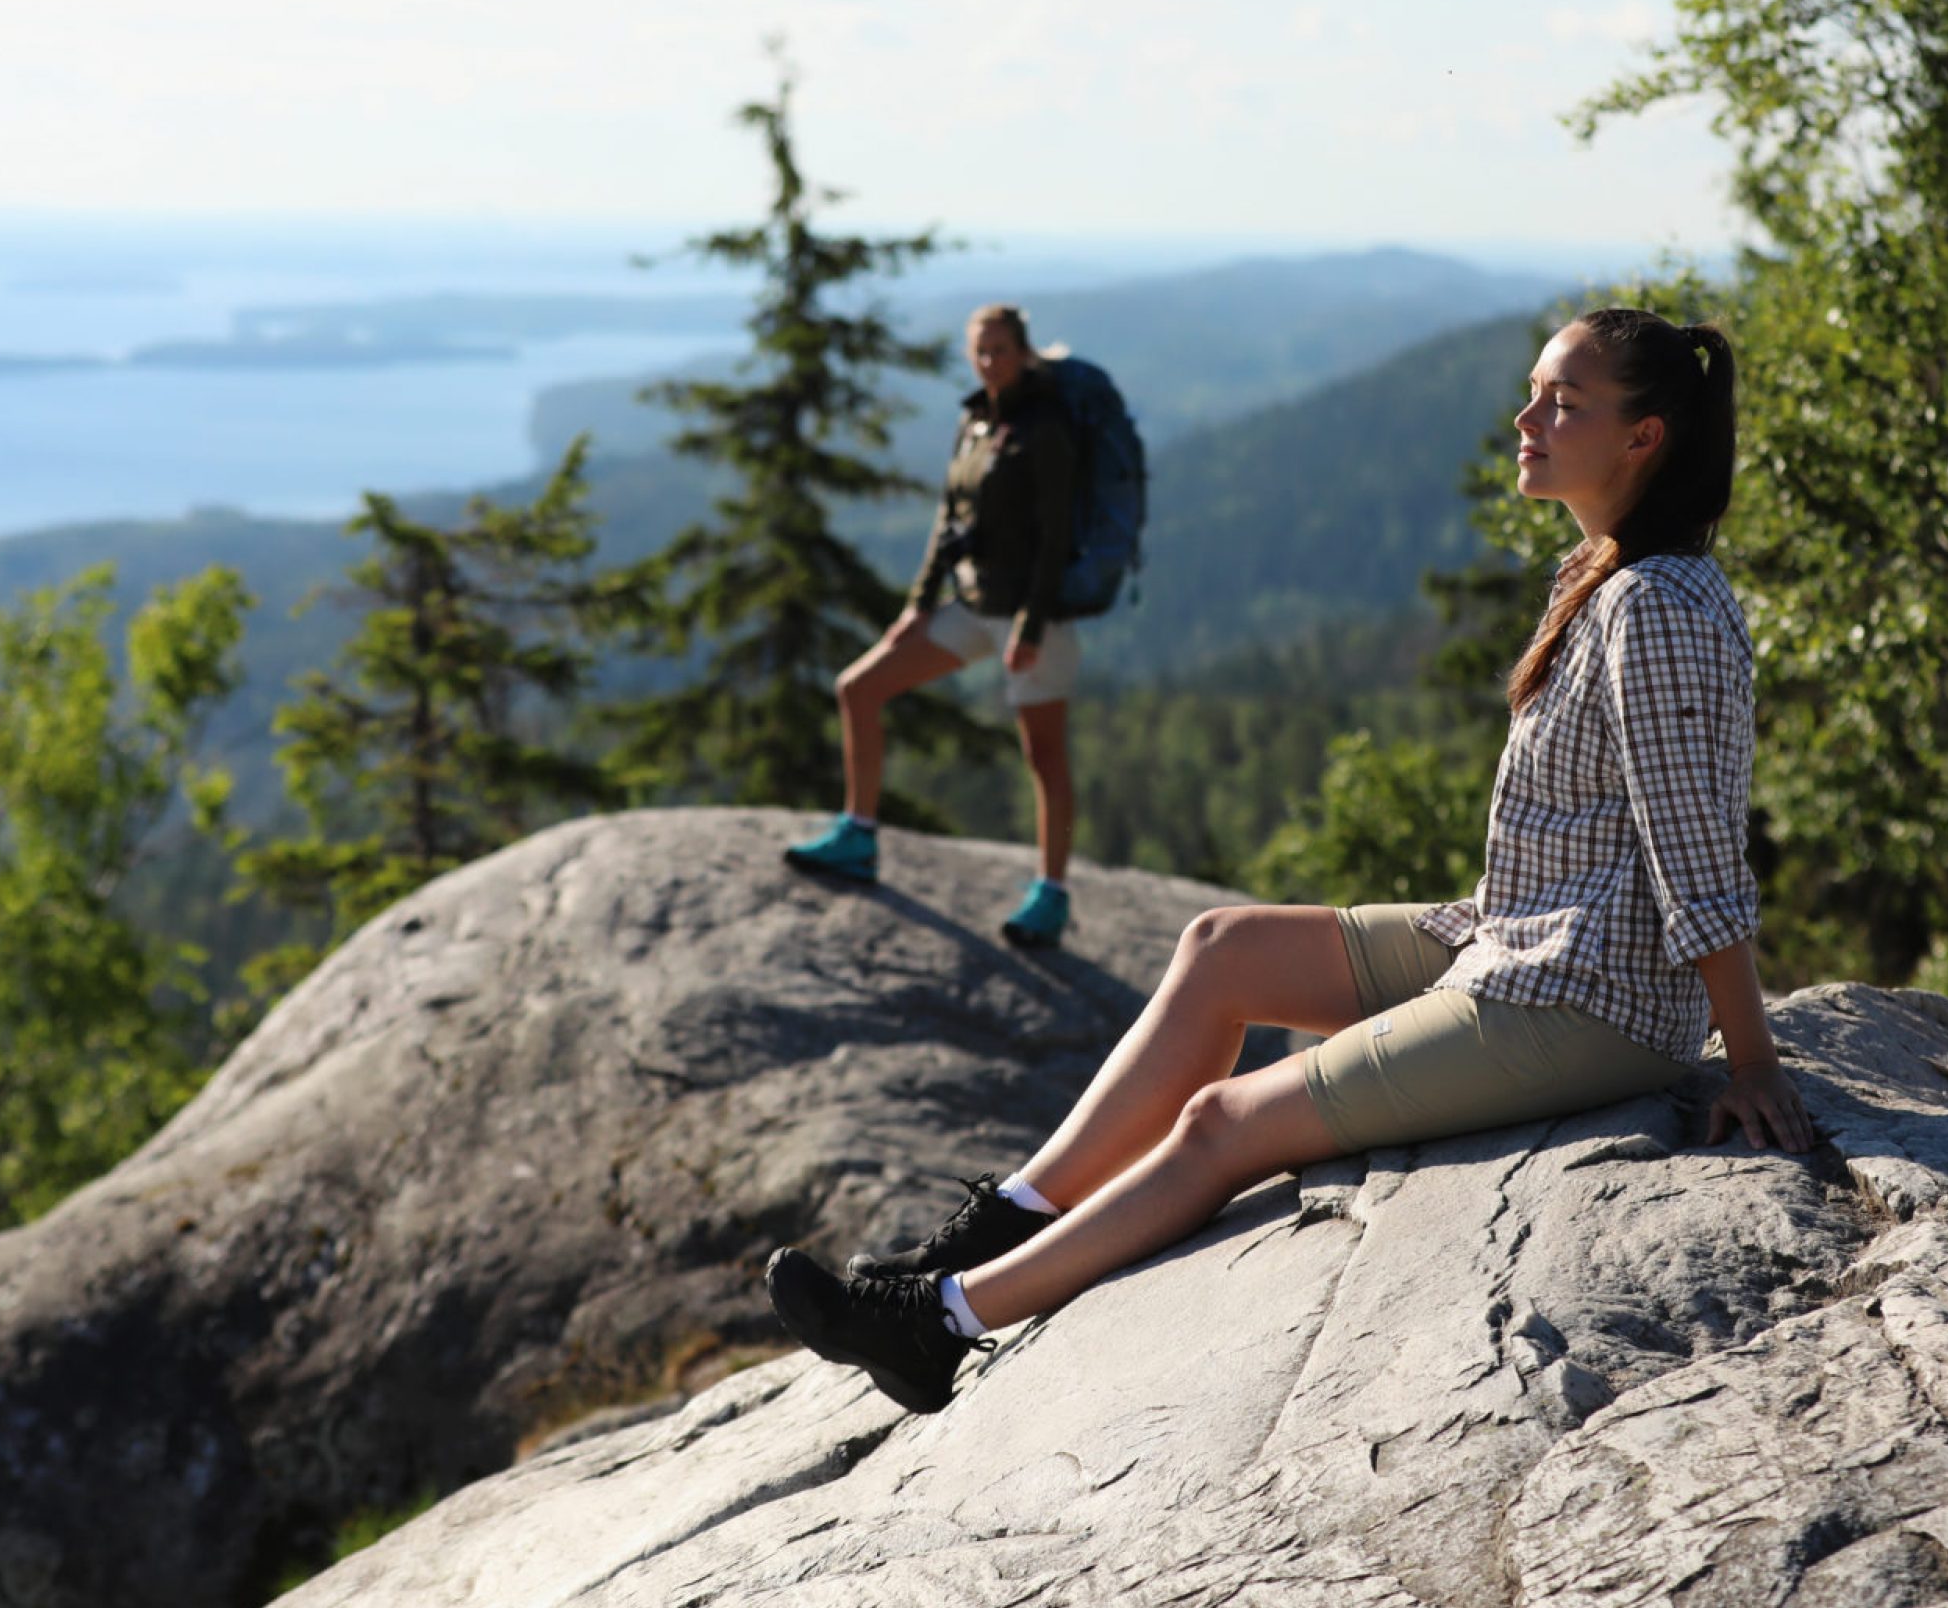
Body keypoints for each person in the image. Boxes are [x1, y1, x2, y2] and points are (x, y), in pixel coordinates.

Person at [766, 306, 1816, 1414]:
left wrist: (1750, 1061)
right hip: (1523, 935)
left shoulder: (1656, 609)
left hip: (1591, 998)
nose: (1526, 417)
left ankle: (942, 1320)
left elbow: (1697, 852)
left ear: (1643, 438)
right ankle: (996, 1224)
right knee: (1223, 946)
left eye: (1563, 402)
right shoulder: (1599, 572)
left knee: (1224, 1123)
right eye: (1533, 390)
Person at [784, 302, 1084, 949]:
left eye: (999, 349)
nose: (988, 361)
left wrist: (1029, 630)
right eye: (979, 350)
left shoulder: (1046, 426)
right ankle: (858, 835)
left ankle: (1052, 894)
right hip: (973, 605)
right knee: (858, 689)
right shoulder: (974, 418)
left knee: (1044, 754)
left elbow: (1057, 537)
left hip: (1036, 616)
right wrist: (917, 604)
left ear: (1024, 353)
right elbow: (947, 519)